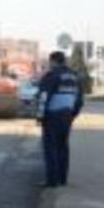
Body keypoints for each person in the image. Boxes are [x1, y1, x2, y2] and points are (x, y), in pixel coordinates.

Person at [37, 51, 84, 188]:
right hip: (67, 116)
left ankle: (52, 181)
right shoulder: (75, 77)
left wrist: (40, 116)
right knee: (63, 147)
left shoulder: (52, 75)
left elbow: (43, 97)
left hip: (52, 116)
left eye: (49, 62)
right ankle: (62, 179)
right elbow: (79, 100)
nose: (49, 64)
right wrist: (72, 115)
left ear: (53, 61)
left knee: (50, 147)